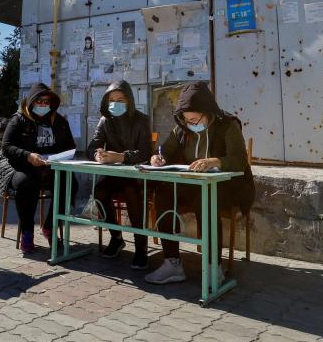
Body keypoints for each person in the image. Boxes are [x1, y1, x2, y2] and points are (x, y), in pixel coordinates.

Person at [144, 82, 255, 284]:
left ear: (207, 112)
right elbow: (165, 151)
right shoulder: (181, 128)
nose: (190, 124)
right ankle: (172, 263)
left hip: (229, 185)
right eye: (186, 120)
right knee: (163, 194)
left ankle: (214, 267)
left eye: (194, 119)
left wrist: (214, 161)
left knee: (205, 198)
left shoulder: (228, 125)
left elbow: (239, 160)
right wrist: (158, 158)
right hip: (194, 182)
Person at [0, 83, 79, 254]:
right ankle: (27, 231)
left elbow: (71, 146)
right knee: (27, 184)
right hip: (22, 168)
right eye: (39, 101)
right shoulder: (19, 119)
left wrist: (60, 158)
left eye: (46, 101)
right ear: (31, 102)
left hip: (51, 168)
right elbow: (6, 146)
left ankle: (50, 226)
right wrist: (28, 155)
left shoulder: (60, 121)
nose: (42, 105)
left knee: (70, 183)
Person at [87, 80, 152, 269]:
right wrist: (97, 154)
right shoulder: (105, 120)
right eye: (111, 100)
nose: (115, 104)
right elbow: (92, 146)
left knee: (131, 191)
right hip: (113, 174)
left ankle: (141, 247)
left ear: (129, 101)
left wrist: (122, 157)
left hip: (136, 174)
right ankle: (116, 237)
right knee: (99, 191)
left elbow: (146, 152)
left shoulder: (141, 120)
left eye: (120, 99)